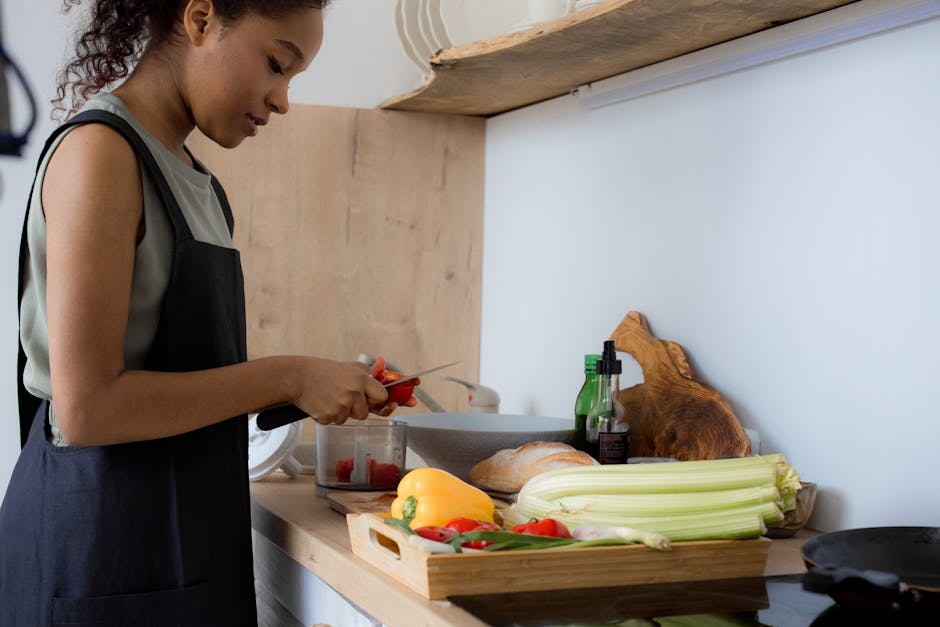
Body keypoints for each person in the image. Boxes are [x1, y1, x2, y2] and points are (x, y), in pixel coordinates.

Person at [0, 1, 410, 624]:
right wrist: (289, 376)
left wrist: (314, 387)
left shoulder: (200, 184)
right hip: (98, 550)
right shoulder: (101, 154)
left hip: (187, 541)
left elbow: (186, 371)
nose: (282, 101)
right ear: (198, 19)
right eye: (276, 64)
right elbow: (87, 410)